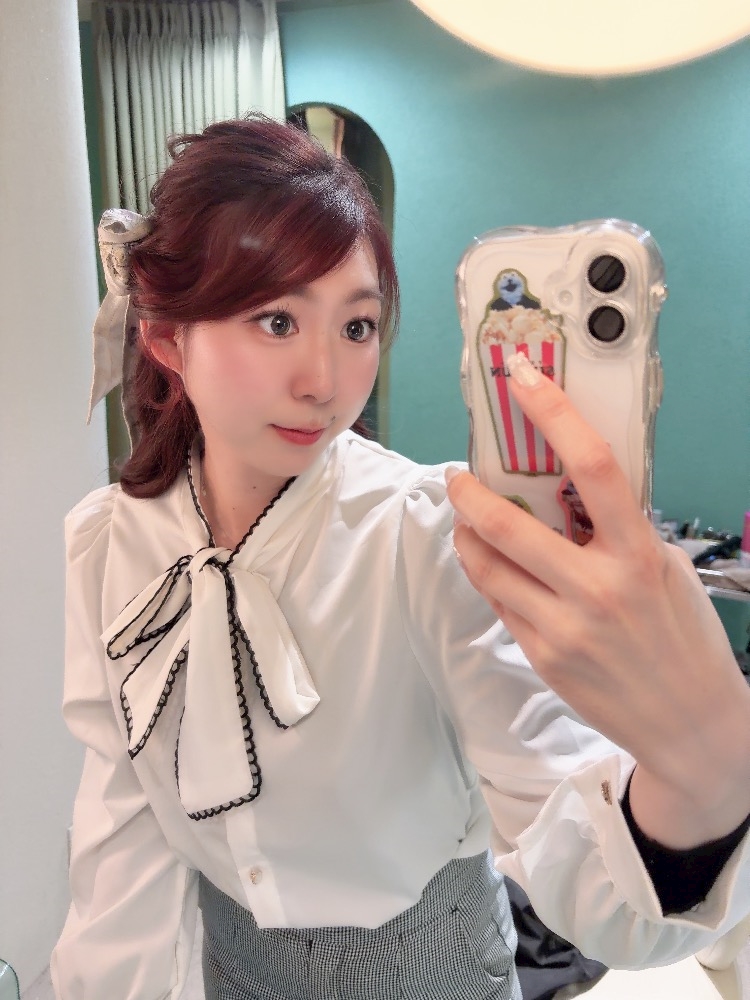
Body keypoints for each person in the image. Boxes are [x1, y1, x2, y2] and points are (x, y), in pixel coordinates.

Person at [52, 115, 750, 1000]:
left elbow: (586, 868)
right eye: (276, 320)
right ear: (165, 338)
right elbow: (120, 833)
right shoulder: (106, 543)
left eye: (357, 326)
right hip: (228, 969)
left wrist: (706, 773)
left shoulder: (425, 534)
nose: (324, 381)